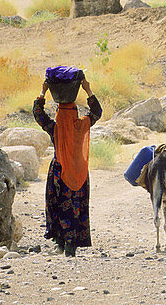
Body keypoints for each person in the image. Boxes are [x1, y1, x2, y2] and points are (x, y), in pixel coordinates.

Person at [33, 76, 103, 257]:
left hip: (59, 172)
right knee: (77, 206)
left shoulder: (54, 128)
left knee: (58, 205)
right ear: (74, 113)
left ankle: (61, 242)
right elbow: (97, 111)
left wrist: (43, 91)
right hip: (79, 171)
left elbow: (38, 113)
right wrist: (87, 89)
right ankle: (72, 244)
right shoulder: (82, 125)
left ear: (58, 114)